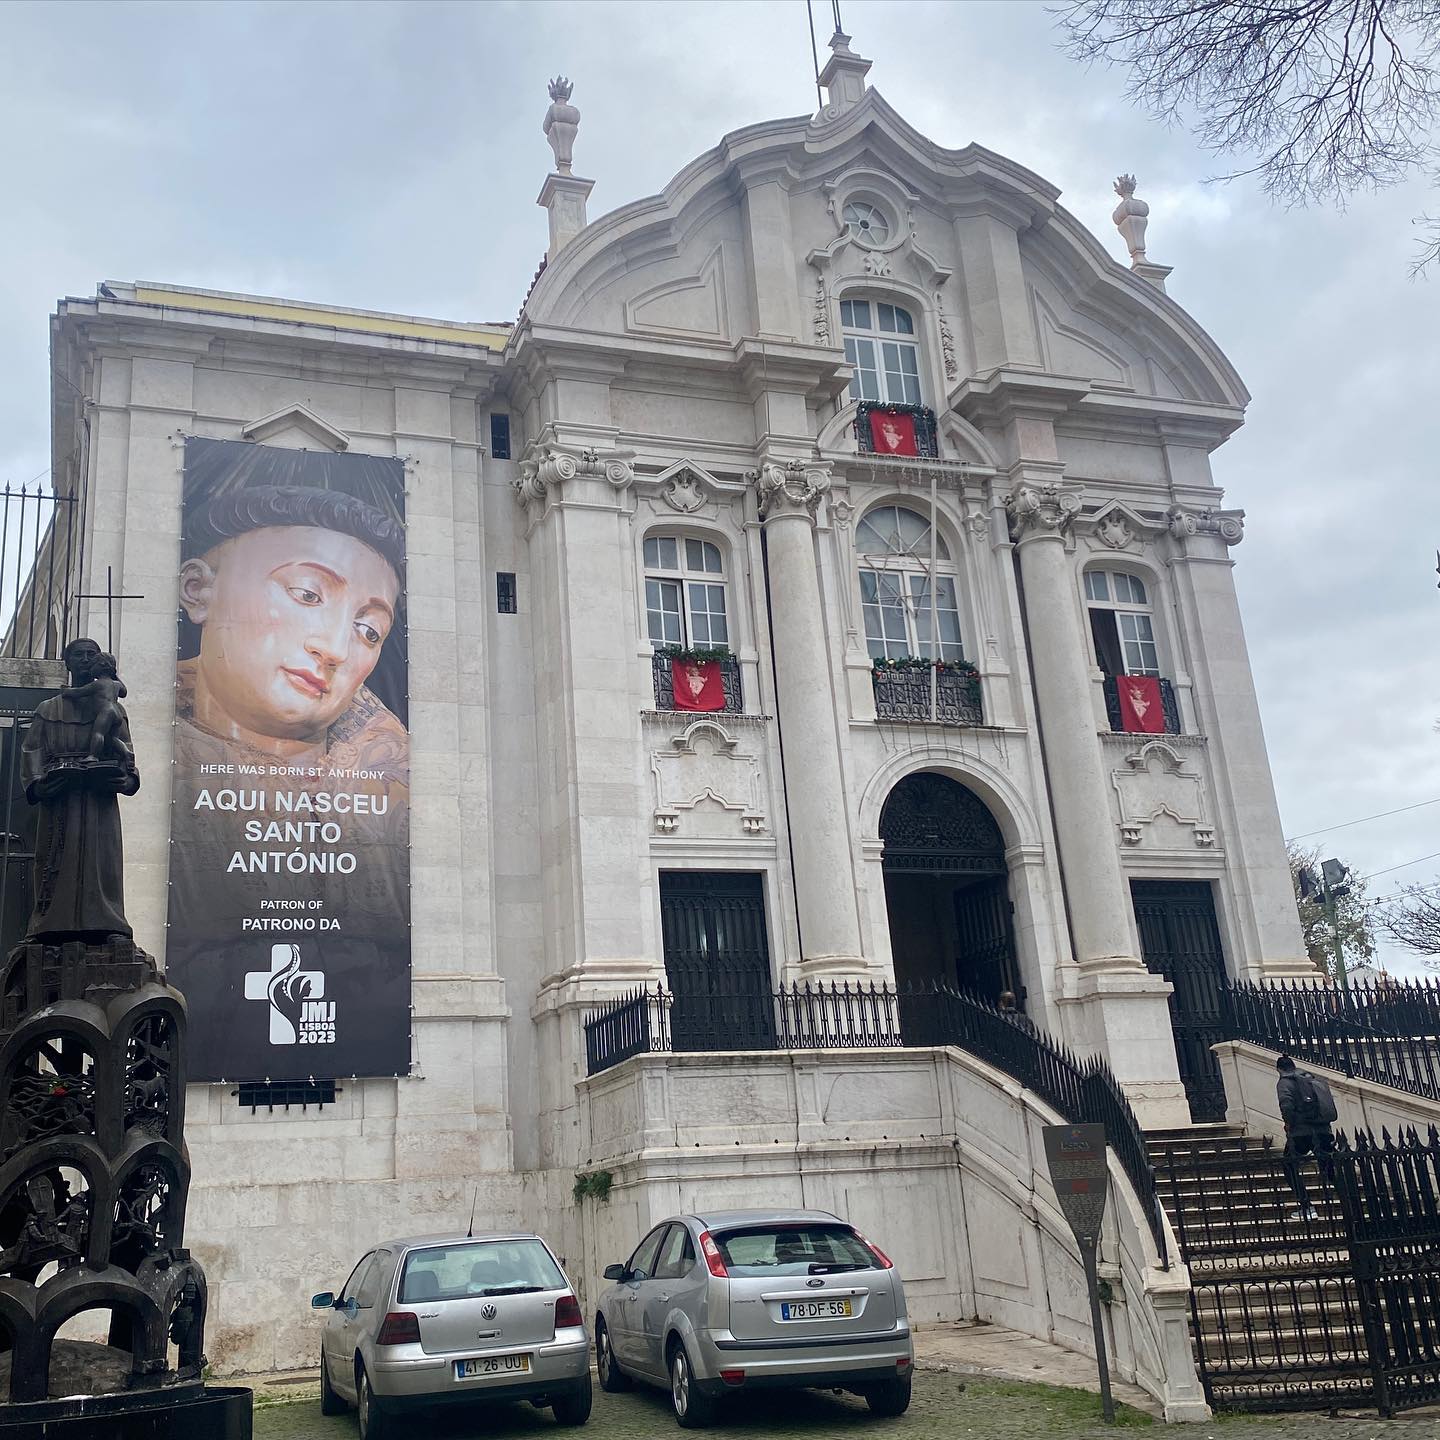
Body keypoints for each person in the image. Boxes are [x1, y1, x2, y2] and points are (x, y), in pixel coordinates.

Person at [1276, 1054, 1338, 1221]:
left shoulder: (1285, 1082)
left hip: (1301, 1132)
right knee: (1330, 1167)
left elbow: (1286, 1105)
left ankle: (1307, 1207)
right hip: (1323, 1130)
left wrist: (1289, 1124)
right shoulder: (1310, 1078)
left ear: (1278, 1069)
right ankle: (1349, 1202)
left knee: (1289, 1166)